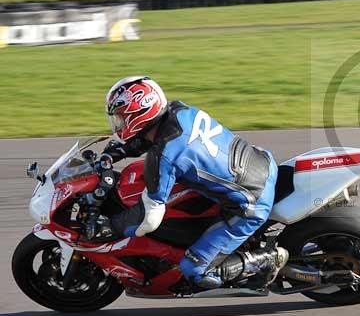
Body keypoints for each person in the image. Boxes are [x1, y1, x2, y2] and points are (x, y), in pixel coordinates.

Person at [88, 76, 288, 290]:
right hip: (260, 162)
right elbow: (155, 137)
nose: (118, 123)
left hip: (249, 204)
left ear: (139, 114)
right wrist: (119, 151)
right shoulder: (178, 110)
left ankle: (266, 259)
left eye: (121, 117)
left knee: (194, 271)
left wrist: (111, 228)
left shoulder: (163, 157)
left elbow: (149, 219)